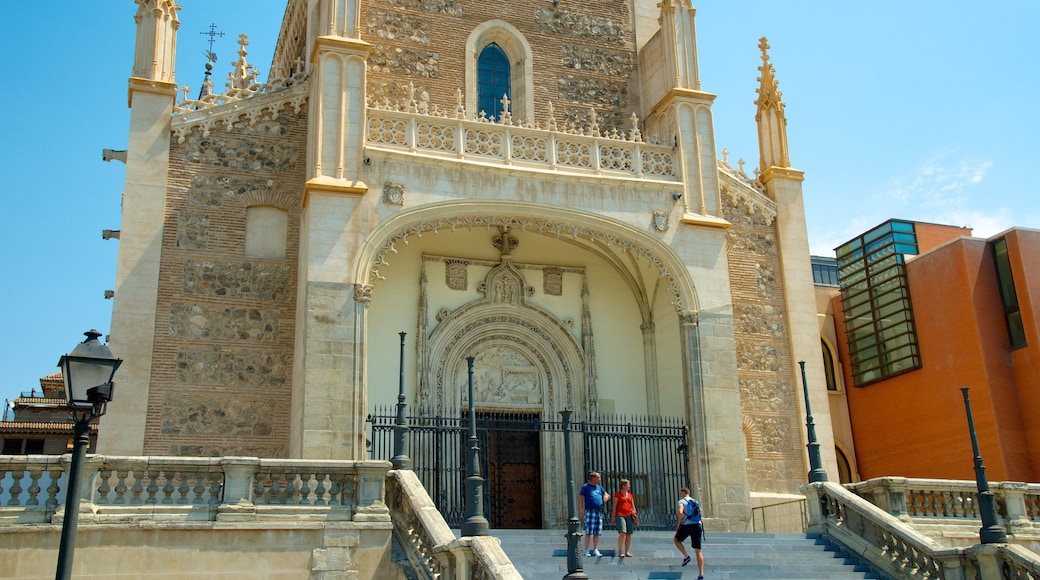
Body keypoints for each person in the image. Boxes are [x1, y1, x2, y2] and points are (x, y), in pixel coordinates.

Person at [673, 486, 705, 579]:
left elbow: (680, 512)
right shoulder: (696, 502)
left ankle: (686, 556)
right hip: (698, 525)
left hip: (687, 525)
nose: (680, 495)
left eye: (680, 493)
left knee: (676, 540)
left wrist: (678, 524)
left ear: (683, 493)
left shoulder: (681, 501)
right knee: (698, 550)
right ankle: (701, 574)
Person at [578, 471, 610, 557]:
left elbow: (606, 494)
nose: (600, 479)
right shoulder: (586, 487)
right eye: (598, 477)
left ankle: (595, 549)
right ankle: (587, 550)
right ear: (593, 478)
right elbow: (581, 498)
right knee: (588, 532)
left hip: (598, 512)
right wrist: (581, 509)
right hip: (590, 511)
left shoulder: (600, 487)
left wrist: (606, 496)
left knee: (597, 532)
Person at [611, 478, 638, 557]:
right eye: (628, 485)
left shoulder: (630, 495)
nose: (629, 486)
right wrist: (613, 517)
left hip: (629, 515)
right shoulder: (617, 495)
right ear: (623, 486)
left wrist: (635, 515)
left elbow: (633, 506)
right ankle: (620, 551)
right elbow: (614, 506)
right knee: (623, 532)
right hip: (620, 515)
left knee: (629, 533)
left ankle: (627, 551)